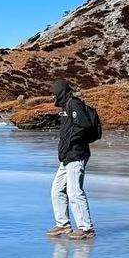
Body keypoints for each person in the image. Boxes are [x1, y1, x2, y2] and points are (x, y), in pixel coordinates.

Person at [46, 78, 96, 241]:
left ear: (61, 92)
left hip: (76, 154)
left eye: (54, 93)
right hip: (67, 156)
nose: (53, 97)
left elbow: (84, 125)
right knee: (57, 189)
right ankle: (63, 224)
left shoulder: (73, 104)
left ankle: (86, 228)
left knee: (74, 191)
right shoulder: (66, 106)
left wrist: (70, 142)